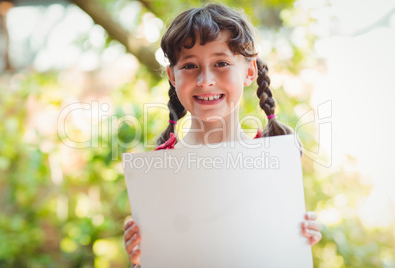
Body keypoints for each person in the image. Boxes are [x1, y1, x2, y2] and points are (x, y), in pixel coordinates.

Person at [123, 3, 322, 266]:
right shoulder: (157, 174)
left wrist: (299, 239)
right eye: (190, 65)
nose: (205, 80)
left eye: (221, 63)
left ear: (249, 71)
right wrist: (140, 259)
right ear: (172, 76)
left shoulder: (275, 163)